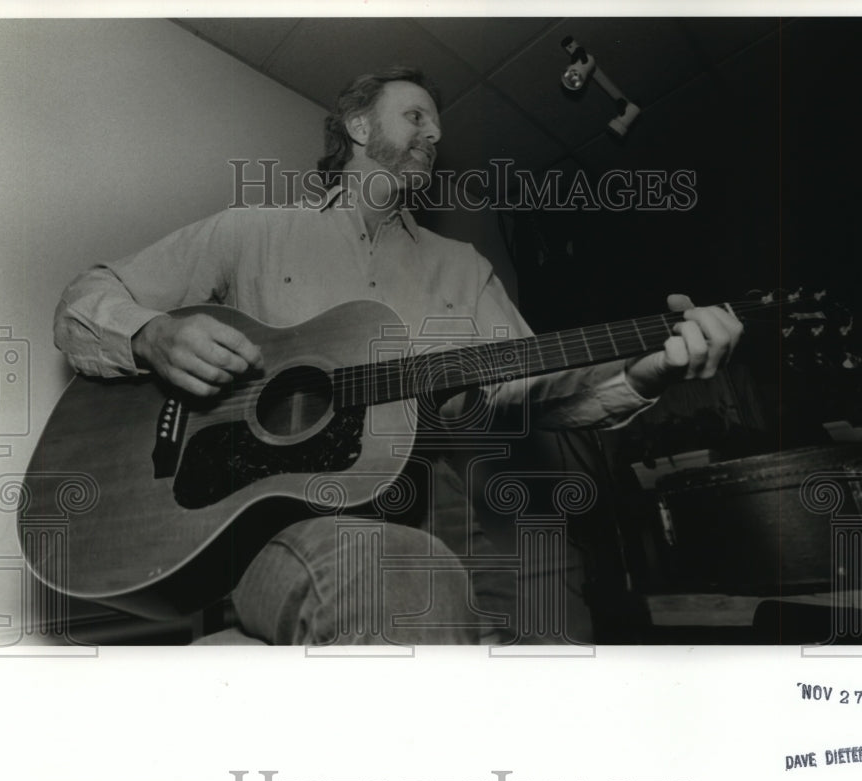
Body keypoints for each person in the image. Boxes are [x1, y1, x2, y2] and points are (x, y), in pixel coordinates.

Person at [54, 66, 742, 645]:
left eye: (438, 126)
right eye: (416, 116)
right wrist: (151, 335)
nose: (435, 135)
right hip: (283, 537)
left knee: (550, 626)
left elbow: (534, 387)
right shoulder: (253, 230)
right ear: (358, 128)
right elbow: (87, 296)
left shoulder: (463, 267)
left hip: (456, 517)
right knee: (396, 569)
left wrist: (649, 368)